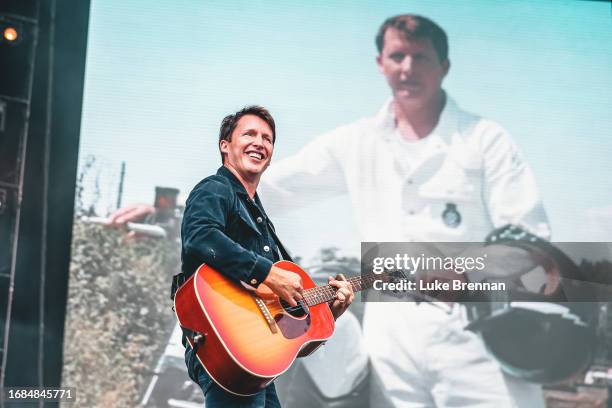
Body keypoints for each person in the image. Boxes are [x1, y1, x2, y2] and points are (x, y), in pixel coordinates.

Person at [257, 15, 550, 407]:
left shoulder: (485, 140)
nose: (408, 68)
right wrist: (188, 203)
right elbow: (267, 187)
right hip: (392, 344)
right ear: (381, 63)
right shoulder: (354, 142)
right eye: (397, 56)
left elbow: (529, 239)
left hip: (479, 341)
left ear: (444, 66)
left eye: (421, 57)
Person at [179, 105, 354, 408]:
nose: (260, 142)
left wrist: (328, 313)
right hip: (225, 347)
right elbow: (200, 236)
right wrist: (268, 273)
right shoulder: (215, 189)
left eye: (268, 139)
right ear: (225, 146)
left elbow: (284, 322)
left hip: (253, 362)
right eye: (249, 134)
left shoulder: (259, 216)